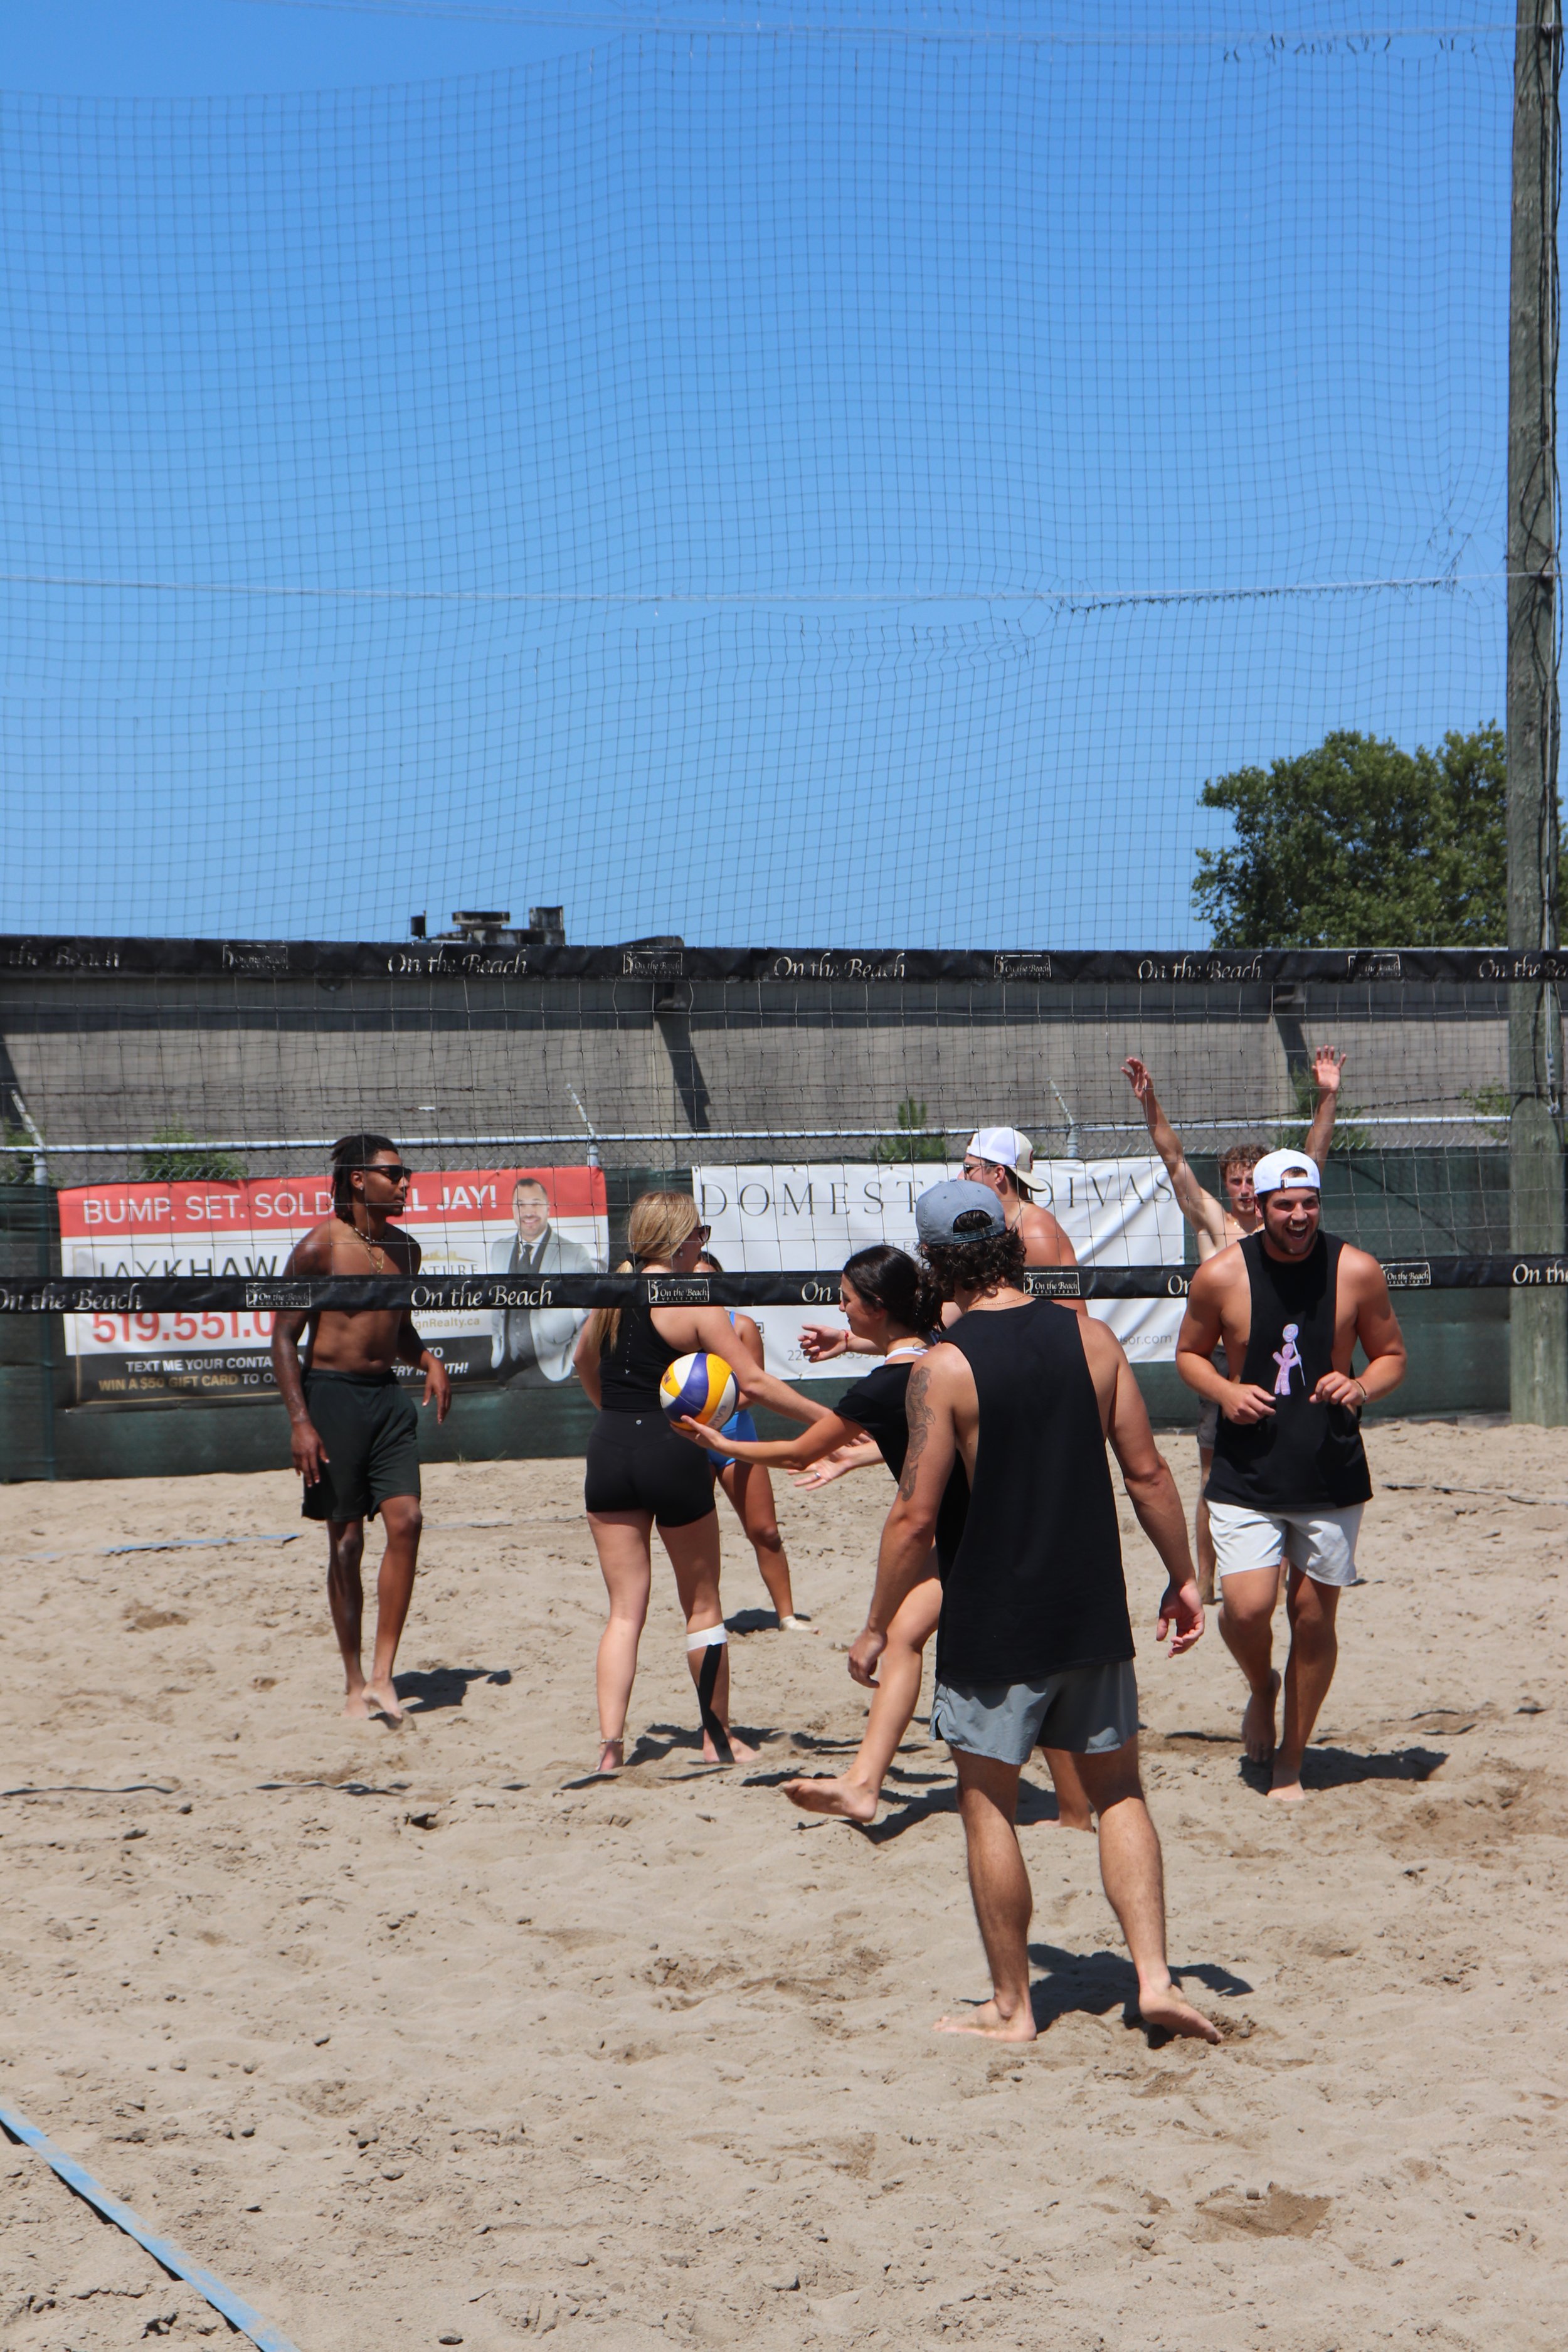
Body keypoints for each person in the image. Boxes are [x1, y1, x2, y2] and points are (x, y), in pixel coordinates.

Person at [850, 1179, 1219, 2044]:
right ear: (1014, 1246)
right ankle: (1156, 1977)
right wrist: (1183, 1576)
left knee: (986, 1803)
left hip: (996, 1615)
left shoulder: (944, 1365)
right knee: (1120, 1789)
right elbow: (1151, 1474)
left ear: (936, 1260)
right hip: (1090, 1607)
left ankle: (1014, 2006)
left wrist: (875, 1623)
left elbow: (913, 1515)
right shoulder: (1089, 1335)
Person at [681, 1244, 975, 1823]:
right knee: (907, 1639)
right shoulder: (948, 1349)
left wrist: (725, 1445)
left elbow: (796, 1453)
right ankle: (864, 1783)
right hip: (987, 1525)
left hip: (970, 1537)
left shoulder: (884, 1388)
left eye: (846, 1301)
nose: (839, 1308)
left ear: (876, 1305)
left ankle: (1061, 1802)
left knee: (949, 1651)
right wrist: (852, 1355)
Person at [1175, 1149, 1407, 1800]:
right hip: (1246, 1467)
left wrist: (1360, 1384)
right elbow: (1188, 1356)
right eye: (1285, 1204)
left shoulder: (1355, 1269)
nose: (1299, 1215)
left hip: (1327, 1468)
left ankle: (1291, 1758)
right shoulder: (1222, 1275)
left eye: (1309, 1203)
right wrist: (1224, 1393)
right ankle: (1261, 1686)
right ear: (1260, 1205)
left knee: (1311, 1619)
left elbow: (1392, 1356)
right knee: (1246, 1610)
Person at [573, 1191, 828, 1776]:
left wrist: (614, 1412)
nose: (704, 1244)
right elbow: (755, 1383)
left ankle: (610, 1748)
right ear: (683, 1240)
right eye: (701, 1235)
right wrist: (828, 1422)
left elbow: (584, 1365)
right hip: (672, 1448)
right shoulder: (694, 1298)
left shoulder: (611, 1294)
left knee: (623, 1613)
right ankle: (716, 1739)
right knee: (703, 1604)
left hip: (609, 1448)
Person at [1121, 1049, 1346, 1601]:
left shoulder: (1289, 1219)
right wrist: (1150, 1103)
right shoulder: (1213, 1222)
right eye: (1237, 1180)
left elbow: (1314, 1156)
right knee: (1211, 1477)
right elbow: (1173, 1160)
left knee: (1297, 1464)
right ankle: (1206, 1575)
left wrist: (1327, 1097)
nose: (1245, 1189)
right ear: (1226, 1185)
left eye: (1252, 1180)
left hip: (1288, 1354)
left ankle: (1296, 1564)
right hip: (1225, 1358)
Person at [270, 1134, 452, 1723]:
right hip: (333, 1400)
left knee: (409, 1521)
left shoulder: (406, 1248)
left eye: (406, 1174)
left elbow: (396, 1332)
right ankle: (353, 1681)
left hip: (386, 1401)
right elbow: (282, 1338)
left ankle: (382, 1676)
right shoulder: (320, 1247)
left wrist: (427, 1360)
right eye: (394, 1174)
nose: (405, 1183)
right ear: (358, 1180)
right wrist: (301, 1422)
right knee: (346, 1545)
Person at [690, 1254, 813, 1631]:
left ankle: (787, 1617)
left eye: (708, 1281)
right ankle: (704, 1618)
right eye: (693, 1281)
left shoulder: (740, 1326)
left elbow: (754, 1389)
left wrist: (714, 1411)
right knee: (697, 1542)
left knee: (766, 1531)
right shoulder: (675, 1326)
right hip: (689, 1440)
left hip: (735, 1437)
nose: (701, 1289)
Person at [489, 1174, 599, 1384]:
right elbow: (496, 1305)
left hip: (554, 1370)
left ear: (548, 1208)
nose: (529, 1212)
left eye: (536, 1204)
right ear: (512, 1210)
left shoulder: (574, 1253)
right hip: (505, 1366)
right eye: (521, 1205)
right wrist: (498, 1344)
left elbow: (591, 1314)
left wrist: (571, 1358)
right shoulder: (498, 1249)